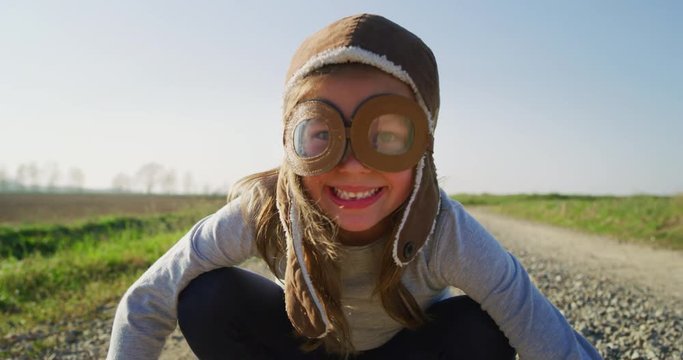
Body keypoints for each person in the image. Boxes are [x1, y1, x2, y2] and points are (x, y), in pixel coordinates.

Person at [107, 14, 602, 360]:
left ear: (424, 146)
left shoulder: (445, 232)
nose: (352, 166)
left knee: (483, 325)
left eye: (385, 136)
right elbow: (148, 298)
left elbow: (538, 326)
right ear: (290, 143)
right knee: (206, 296)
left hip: (406, 353)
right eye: (321, 134)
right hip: (305, 349)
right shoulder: (267, 209)